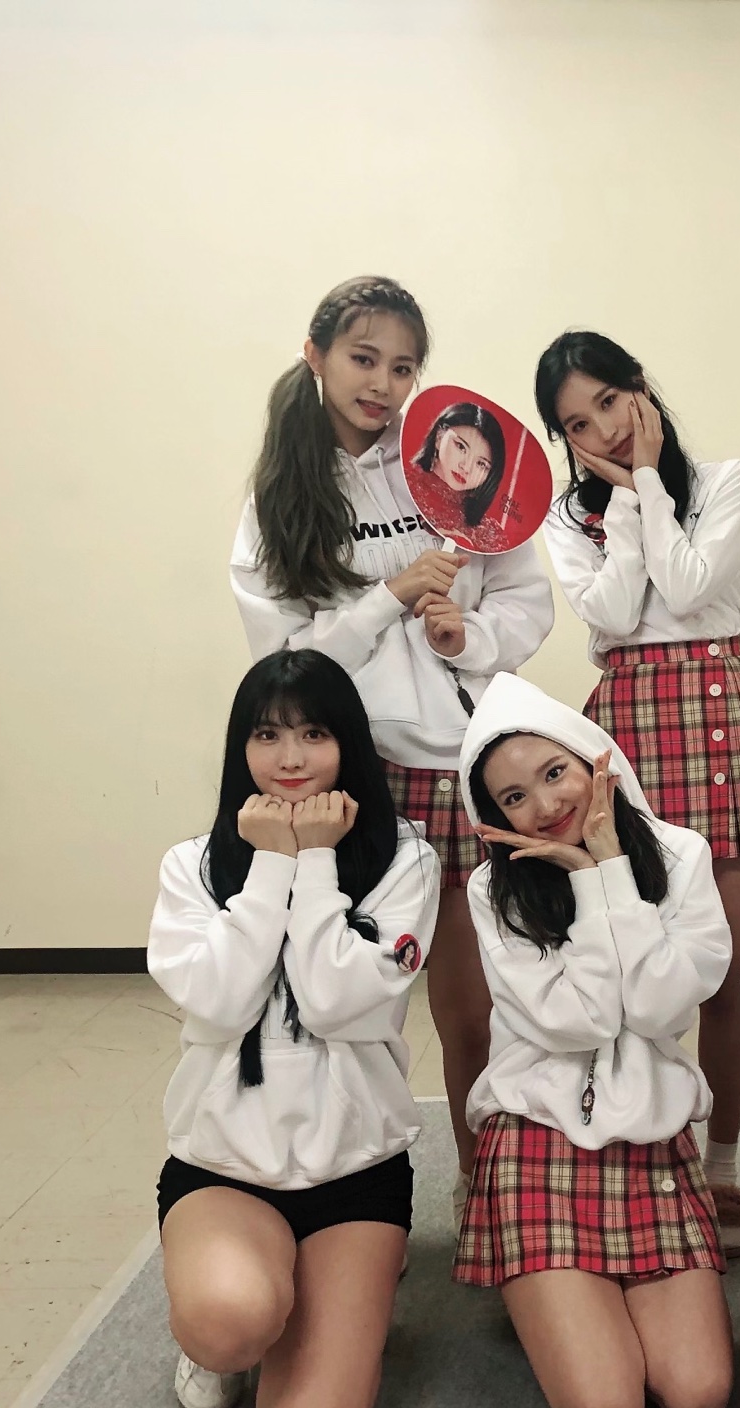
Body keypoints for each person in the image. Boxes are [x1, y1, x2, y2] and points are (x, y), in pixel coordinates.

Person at [231, 277, 553, 1216]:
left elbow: (525, 598)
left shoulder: (452, 459)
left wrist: (468, 636)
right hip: (362, 778)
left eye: (402, 366)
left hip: (471, 766)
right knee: (354, 1005)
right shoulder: (280, 497)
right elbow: (285, 667)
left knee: (475, 1009)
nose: (382, 383)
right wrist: (389, 599)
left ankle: (488, 1195)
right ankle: (350, 1198)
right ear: (316, 354)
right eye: (363, 358)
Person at [147, 650, 438, 1408]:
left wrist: (315, 860)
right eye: (268, 735)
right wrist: (272, 860)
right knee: (229, 1324)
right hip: (224, 1169)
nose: (290, 758)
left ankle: (316, 1308)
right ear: (241, 746)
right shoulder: (192, 866)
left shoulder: (404, 862)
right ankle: (238, 1332)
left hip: (355, 1172)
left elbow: (336, 1000)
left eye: (314, 734)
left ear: (348, 744)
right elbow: (218, 1003)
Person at [536, 330, 740, 1259]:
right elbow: (609, 614)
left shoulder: (728, 481)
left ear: (639, 388)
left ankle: (718, 1167)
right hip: (628, 720)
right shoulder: (566, 517)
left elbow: (686, 587)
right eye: (576, 424)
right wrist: (626, 500)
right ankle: (646, 1156)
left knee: (730, 973)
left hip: (723, 712)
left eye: (608, 401)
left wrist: (645, 481)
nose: (600, 428)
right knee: (625, 955)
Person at [452, 672, 735, 1408]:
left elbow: (661, 1009)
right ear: (494, 817)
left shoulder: (680, 855)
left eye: (555, 773)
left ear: (594, 760)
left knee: (699, 1397)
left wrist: (608, 872)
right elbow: (580, 1022)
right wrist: (585, 884)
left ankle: (568, 1299)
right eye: (514, 798)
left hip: (650, 1137)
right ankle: (547, 1287)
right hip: (537, 1133)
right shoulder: (493, 889)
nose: (546, 805)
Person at [411, 399, 510, 530]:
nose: (466, 467)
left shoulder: (486, 530)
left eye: (481, 464)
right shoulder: (402, 484)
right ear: (439, 437)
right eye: (461, 447)